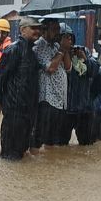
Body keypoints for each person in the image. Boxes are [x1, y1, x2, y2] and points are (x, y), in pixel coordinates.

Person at [0, 16, 42, 160]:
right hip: (14, 112)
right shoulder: (13, 50)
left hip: (28, 113)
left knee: (21, 155)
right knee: (10, 158)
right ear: (23, 30)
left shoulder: (32, 54)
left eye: (38, 28)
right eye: (33, 28)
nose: (37, 31)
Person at [32, 18, 72, 148]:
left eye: (58, 30)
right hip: (47, 100)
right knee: (43, 138)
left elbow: (68, 67)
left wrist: (65, 48)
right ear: (45, 30)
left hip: (60, 100)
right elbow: (50, 67)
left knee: (54, 140)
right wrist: (61, 49)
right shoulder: (39, 46)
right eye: (54, 30)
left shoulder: (56, 46)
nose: (57, 33)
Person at [59, 23, 99, 146]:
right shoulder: (57, 54)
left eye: (71, 38)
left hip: (84, 108)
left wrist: (85, 58)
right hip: (65, 109)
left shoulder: (83, 50)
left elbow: (95, 71)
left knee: (87, 145)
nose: (69, 41)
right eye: (66, 38)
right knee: (60, 145)